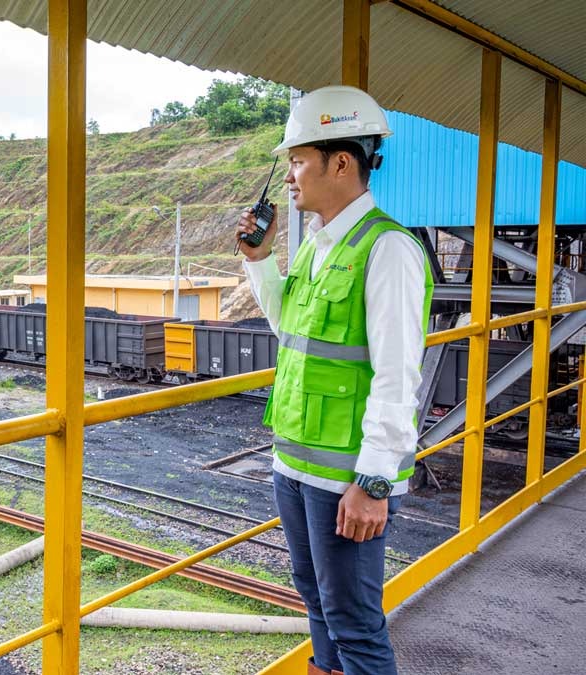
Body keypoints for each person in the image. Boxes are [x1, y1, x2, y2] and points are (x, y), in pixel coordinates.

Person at [236, 85, 433, 675]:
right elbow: (288, 328)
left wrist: (374, 482)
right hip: (296, 467)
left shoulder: (387, 248)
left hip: (346, 476)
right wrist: (259, 258)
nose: (290, 176)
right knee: (317, 605)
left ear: (340, 163)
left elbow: (399, 374)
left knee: (354, 622)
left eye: (297, 160)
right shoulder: (320, 244)